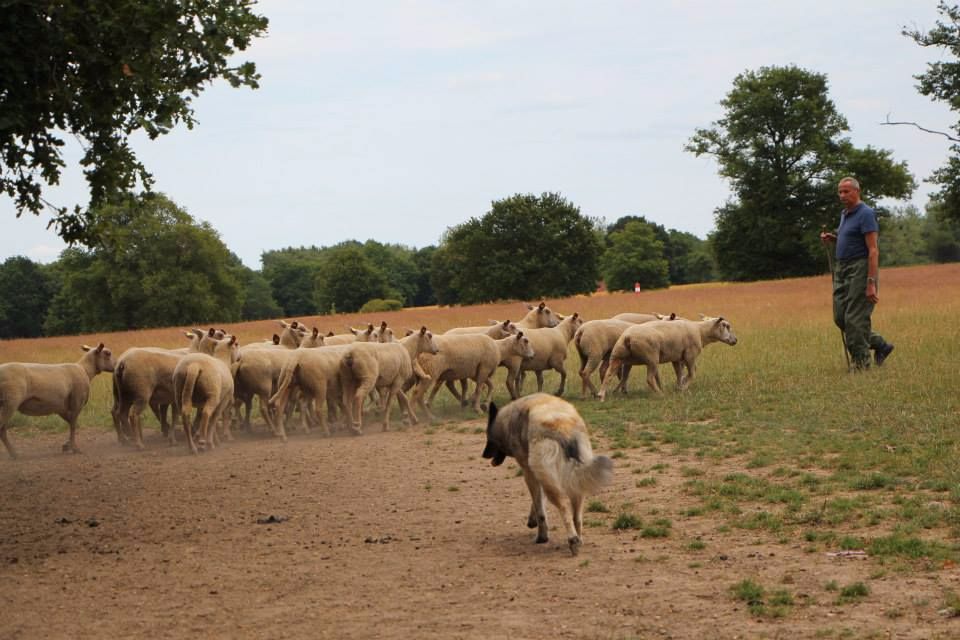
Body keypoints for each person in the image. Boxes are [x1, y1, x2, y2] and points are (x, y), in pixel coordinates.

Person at [819, 177, 894, 371]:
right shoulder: (845, 214)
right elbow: (852, 240)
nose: (842, 195)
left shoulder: (866, 213)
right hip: (841, 268)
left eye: (846, 191)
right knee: (841, 317)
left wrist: (871, 282)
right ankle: (880, 344)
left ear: (857, 192)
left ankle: (861, 364)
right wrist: (834, 238)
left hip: (860, 268)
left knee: (855, 319)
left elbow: (873, 250)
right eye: (840, 192)